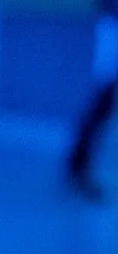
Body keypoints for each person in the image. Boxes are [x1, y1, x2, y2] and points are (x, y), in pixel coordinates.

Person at [69, 0, 118, 200]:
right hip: (106, 79)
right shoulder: (109, 26)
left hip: (106, 78)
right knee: (95, 121)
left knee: (95, 120)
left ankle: (77, 168)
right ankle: (81, 172)